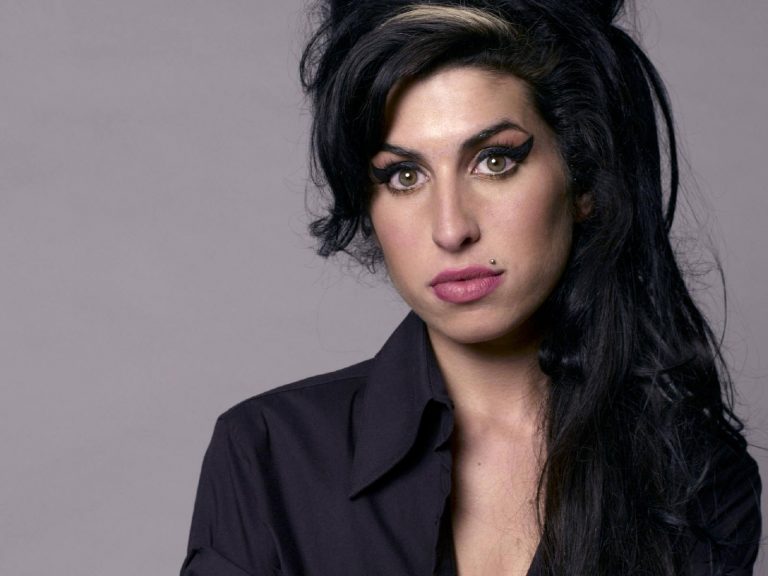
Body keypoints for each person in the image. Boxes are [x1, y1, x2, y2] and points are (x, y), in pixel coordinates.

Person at [180, 1, 762, 574]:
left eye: (494, 161)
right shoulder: (266, 456)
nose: (451, 228)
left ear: (584, 179)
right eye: (405, 176)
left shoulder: (695, 478)